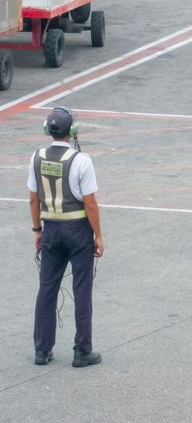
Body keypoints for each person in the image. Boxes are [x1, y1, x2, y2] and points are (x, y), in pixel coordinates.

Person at [28, 106, 104, 368]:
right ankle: (82, 350)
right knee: (82, 290)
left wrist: (38, 230)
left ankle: (42, 349)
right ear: (73, 131)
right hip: (78, 231)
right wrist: (98, 236)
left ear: (47, 130)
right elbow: (91, 204)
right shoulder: (82, 160)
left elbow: (33, 198)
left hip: (51, 230)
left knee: (47, 288)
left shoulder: (36, 157)